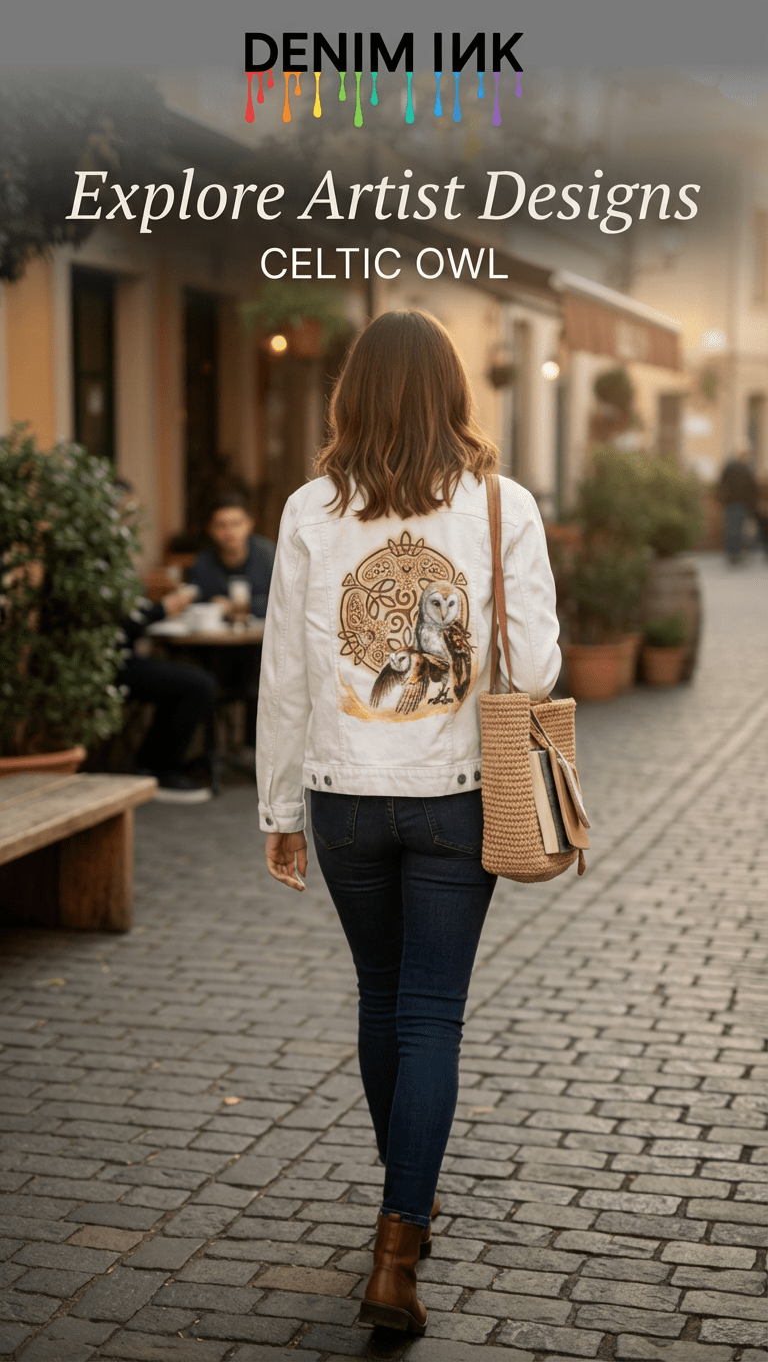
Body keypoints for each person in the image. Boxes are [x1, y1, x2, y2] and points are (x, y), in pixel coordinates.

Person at [256, 311, 561, 1336]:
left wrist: (277, 805)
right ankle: (399, 1241)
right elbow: (543, 667)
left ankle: (405, 1206)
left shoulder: (309, 508)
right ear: (452, 394)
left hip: (344, 790)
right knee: (430, 1013)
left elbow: (286, 672)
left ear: (351, 395)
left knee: (381, 995)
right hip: (459, 789)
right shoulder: (498, 503)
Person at [114, 480, 217, 804]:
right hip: (110, 664)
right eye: (126, 508)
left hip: (120, 657)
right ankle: (161, 768)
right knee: (197, 684)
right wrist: (162, 609)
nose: (131, 516)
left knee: (193, 680)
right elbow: (120, 627)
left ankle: (152, 763)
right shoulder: (99, 556)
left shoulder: (110, 552)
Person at [186, 494, 276, 747]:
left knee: (259, 674)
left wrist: (241, 607)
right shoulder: (203, 564)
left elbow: (284, 600)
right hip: (212, 653)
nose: (229, 532)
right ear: (211, 530)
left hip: (260, 653)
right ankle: (212, 750)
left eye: (236, 523)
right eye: (221, 525)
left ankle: (255, 746)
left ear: (249, 524)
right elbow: (194, 604)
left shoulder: (268, 556)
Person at [717, 451, 758, 563]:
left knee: (731, 528)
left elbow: (721, 483)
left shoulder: (730, 467)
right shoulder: (747, 469)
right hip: (742, 503)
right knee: (738, 529)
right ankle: (736, 554)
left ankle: (732, 554)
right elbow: (753, 488)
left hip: (732, 502)